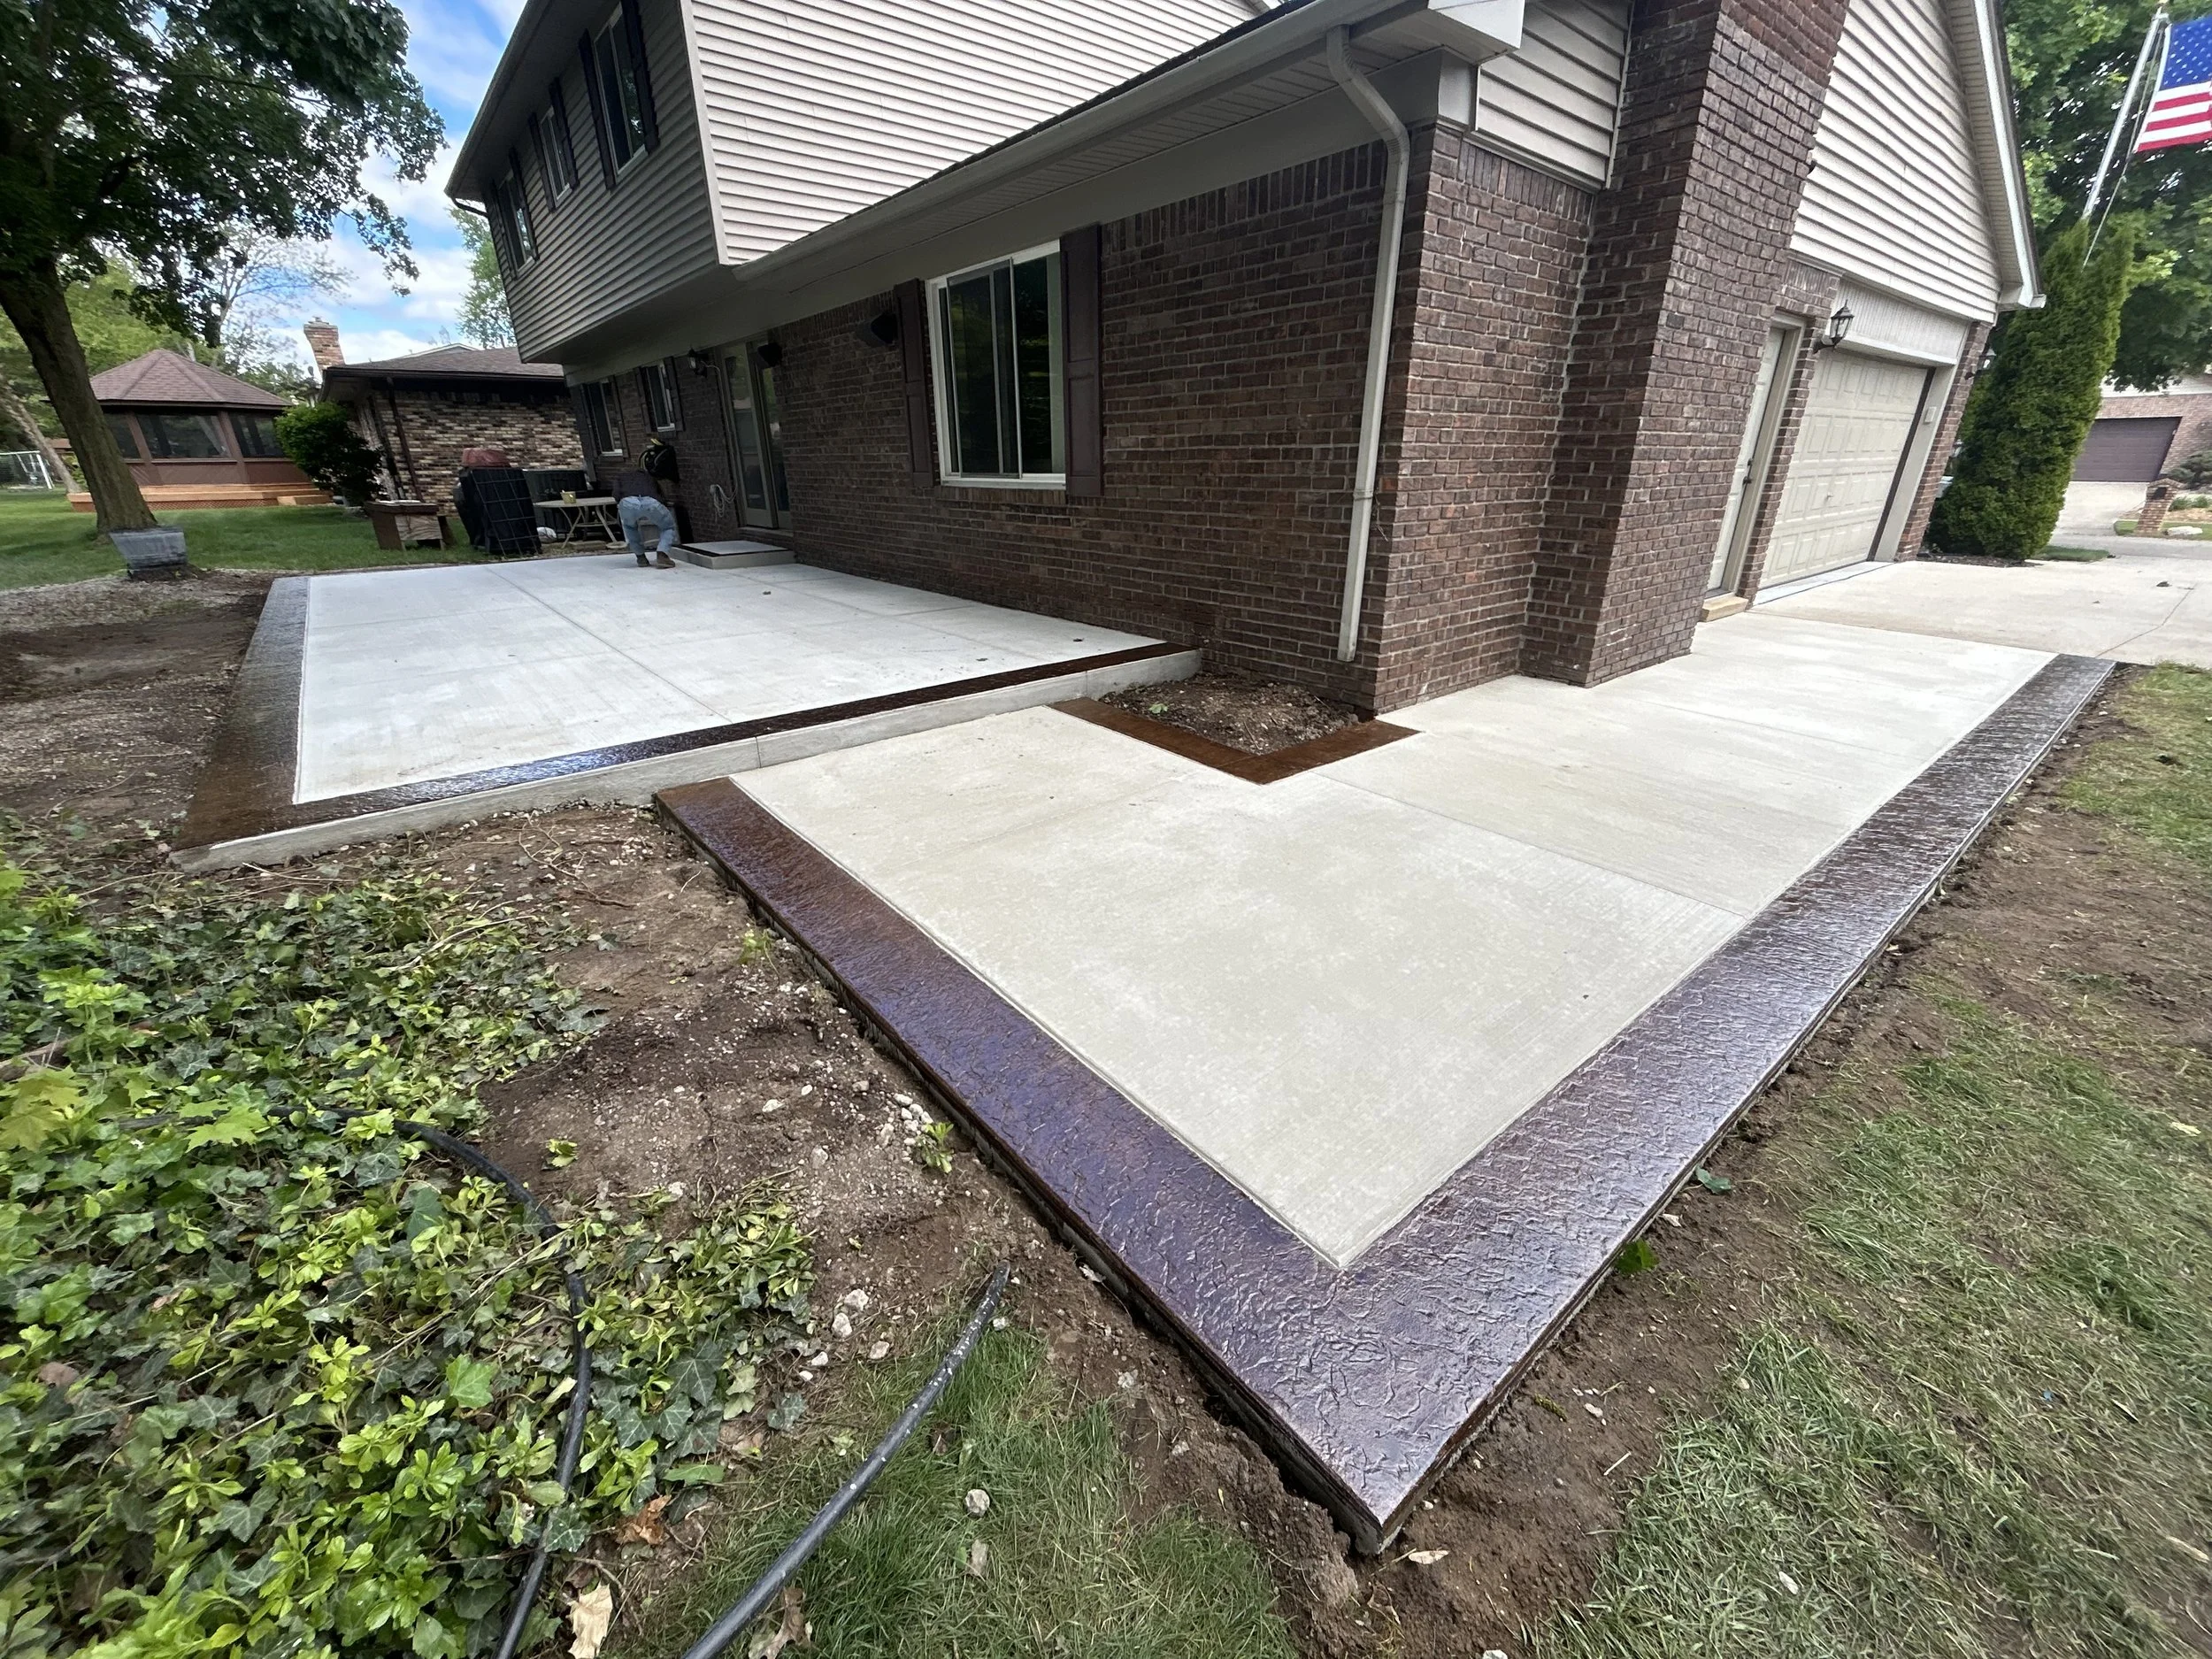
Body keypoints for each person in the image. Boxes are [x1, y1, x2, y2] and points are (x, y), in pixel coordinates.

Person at [611, 469, 676, 568]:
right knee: (668, 527)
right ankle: (662, 555)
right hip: (650, 501)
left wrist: (621, 504)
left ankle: (641, 558)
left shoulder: (620, 477)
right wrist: (662, 506)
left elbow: (616, 493)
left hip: (628, 502)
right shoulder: (649, 476)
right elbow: (661, 494)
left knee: (630, 528)